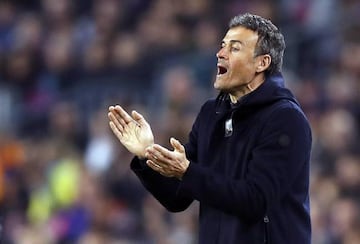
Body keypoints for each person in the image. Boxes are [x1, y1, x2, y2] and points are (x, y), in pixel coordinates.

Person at [108, 13, 312, 244]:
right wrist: (146, 155)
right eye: (222, 46)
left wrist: (187, 171)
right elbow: (177, 198)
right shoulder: (211, 114)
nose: (220, 53)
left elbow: (256, 201)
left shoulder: (285, 118)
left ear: (262, 63)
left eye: (234, 48)